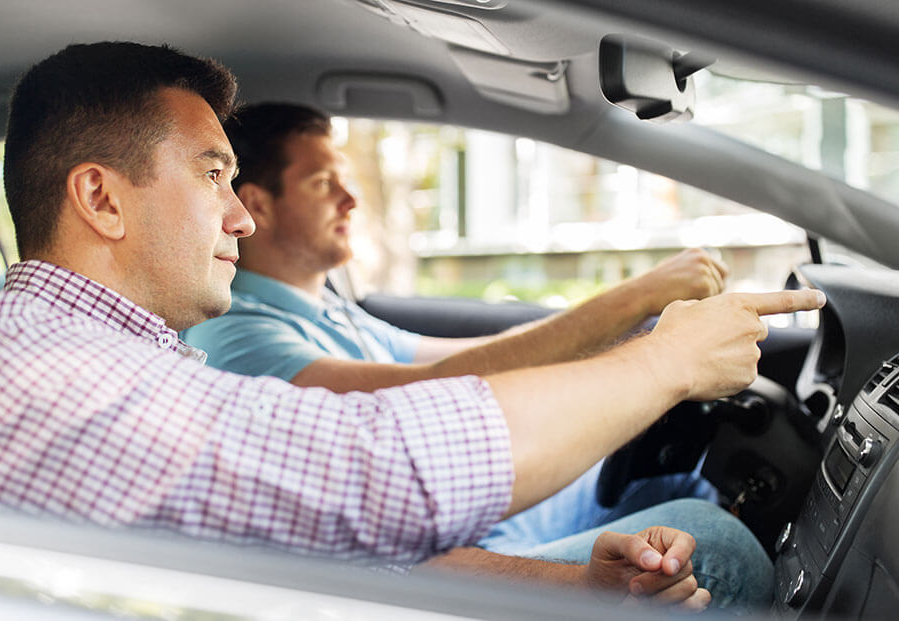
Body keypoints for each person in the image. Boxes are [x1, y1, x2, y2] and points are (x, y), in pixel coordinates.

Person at [0, 42, 823, 612]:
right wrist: (662, 361)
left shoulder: (53, 349)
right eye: (213, 175)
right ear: (101, 197)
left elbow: (321, 532)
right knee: (731, 557)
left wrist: (578, 587)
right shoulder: (40, 370)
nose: (242, 217)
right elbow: (383, 468)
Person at [180, 103, 742, 569]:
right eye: (324, 183)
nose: (350, 200)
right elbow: (431, 386)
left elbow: (477, 360)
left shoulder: (328, 309)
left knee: (678, 480)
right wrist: (640, 303)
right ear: (257, 203)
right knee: (716, 543)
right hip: (455, 552)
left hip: (479, 518)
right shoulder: (238, 332)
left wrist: (636, 328)